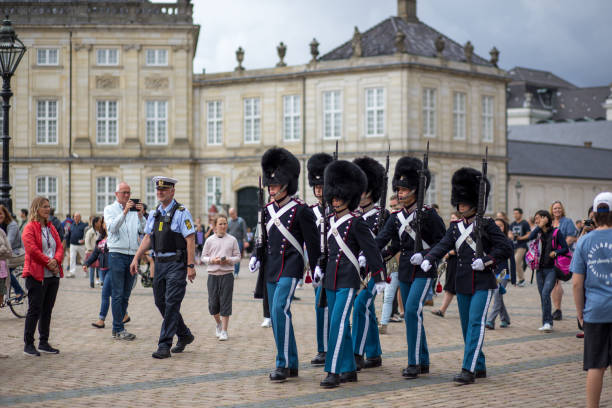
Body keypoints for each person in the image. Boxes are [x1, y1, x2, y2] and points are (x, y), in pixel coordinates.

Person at [421, 167, 513, 384]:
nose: (460, 205)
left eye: (464, 202)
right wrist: (429, 257)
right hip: (462, 281)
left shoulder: (487, 224)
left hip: (483, 281)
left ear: (474, 202)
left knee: (475, 324)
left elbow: (505, 247)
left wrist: (488, 259)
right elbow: (444, 244)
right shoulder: (455, 227)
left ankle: (468, 369)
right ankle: (479, 364)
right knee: (466, 327)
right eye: (459, 202)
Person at [248, 147, 320, 383]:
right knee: (278, 315)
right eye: (270, 184)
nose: (272, 187)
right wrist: (256, 255)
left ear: (287, 184)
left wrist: (318, 265)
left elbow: (312, 241)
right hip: (271, 267)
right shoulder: (267, 211)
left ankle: (283, 363)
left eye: (276, 184)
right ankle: (292, 363)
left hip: (291, 265)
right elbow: (265, 239)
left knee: (279, 309)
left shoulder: (301, 210)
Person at [314, 160, 386, 388]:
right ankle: (348, 368)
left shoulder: (356, 223)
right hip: (331, 279)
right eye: (333, 196)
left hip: (348, 279)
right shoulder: (327, 221)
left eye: (339, 196)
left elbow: (372, 249)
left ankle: (333, 371)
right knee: (340, 325)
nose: (335, 200)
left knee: (337, 323)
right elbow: (325, 251)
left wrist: (380, 276)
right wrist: (318, 267)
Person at [376, 156, 446, 380]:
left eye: (404, 190)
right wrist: (369, 254)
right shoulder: (396, 217)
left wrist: (426, 255)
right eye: (398, 189)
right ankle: (423, 360)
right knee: (413, 314)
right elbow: (386, 241)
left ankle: (413, 362)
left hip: (424, 269)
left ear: (416, 190)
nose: (400, 193)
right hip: (405, 269)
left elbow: (442, 242)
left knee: (412, 311)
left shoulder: (429, 215)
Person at [130, 176, 196, 359]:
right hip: (159, 264)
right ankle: (184, 335)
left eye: (164, 190)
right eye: (158, 190)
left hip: (176, 264)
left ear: (172, 191)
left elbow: (190, 239)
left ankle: (164, 345)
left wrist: (190, 265)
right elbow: (148, 238)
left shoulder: (182, 212)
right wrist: (136, 258)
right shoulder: (154, 213)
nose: (160, 192)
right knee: (161, 302)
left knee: (172, 302)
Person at [571, 192, 612, 408]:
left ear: (594, 215)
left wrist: (580, 313)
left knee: (596, 366)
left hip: (595, 311)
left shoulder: (585, 241)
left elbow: (577, 283)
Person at [351, 156, 388, 370]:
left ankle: (357, 353)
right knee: (368, 310)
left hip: (376, 270)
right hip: (355, 269)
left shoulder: (382, 215)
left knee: (360, 305)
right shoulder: (353, 215)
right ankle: (374, 353)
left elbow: (388, 244)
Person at [21, 196, 64, 356]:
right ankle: (28, 343)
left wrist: (56, 260)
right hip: (36, 274)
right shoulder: (29, 228)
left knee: (47, 310)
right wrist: (48, 261)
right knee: (35, 309)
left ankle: (44, 342)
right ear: (36, 208)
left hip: (52, 274)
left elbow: (59, 246)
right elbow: (32, 249)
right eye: (44, 206)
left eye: (49, 206)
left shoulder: (51, 227)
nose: (48, 209)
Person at [104, 181, 145, 340]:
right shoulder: (110, 209)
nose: (127, 195)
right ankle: (118, 328)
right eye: (124, 192)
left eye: (129, 192)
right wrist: (125, 212)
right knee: (118, 293)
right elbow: (112, 228)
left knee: (126, 293)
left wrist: (141, 215)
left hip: (132, 255)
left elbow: (144, 230)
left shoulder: (135, 212)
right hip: (116, 254)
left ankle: (118, 327)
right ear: (116, 194)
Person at [306, 152, 333, 366]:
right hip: (317, 265)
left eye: (322, 186)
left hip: (336, 263)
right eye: (316, 187)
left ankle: (336, 346)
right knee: (320, 306)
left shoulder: (338, 211)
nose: (319, 190)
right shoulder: (310, 211)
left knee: (336, 307)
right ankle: (322, 348)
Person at [523, 210, 569, 332]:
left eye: (538, 218)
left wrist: (556, 252)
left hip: (552, 269)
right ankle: (546, 322)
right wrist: (538, 226)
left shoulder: (556, 232)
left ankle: (548, 322)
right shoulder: (538, 233)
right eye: (535, 219)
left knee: (545, 294)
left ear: (546, 218)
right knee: (543, 296)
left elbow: (565, 248)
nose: (536, 221)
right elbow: (530, 237)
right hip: (539, 269)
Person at [201, 214, 240, 341]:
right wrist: (212, 260)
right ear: (215, 226)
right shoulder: (209, 240)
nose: (223, 226)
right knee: (213, 305)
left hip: (227, 275)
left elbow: (238, 257)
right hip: (213, 275)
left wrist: (228, 259)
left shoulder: (232, 240)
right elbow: (203, 257)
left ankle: (224, 330)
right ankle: (218, 323)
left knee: (225, 303)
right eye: (220, 224)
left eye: (225, 223)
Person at [549, 200, 578, 321]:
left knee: (557, 281)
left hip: (563, 256)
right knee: (554, 282)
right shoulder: (549, 223)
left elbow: (571, 238)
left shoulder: (568, 222)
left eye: (559, 208)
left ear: (562, 209)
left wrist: (558, 250)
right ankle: (557, 309)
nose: (557, 210)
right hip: (550, 256)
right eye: (555, 208)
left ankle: (558, 309)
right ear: (552, 210)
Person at [486, 218, 516, 329]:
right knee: (498, 296)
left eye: (501, 226)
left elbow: (512, 261)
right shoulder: (490, 241)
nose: (498, 228)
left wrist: (513, 278)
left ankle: (490, 321)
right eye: (496, 225)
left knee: (497, 294)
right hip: (492, 272)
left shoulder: (508, 242)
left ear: (505, 228)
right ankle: (505, 319)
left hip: (503, 273)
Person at [431, 212, 461, 318]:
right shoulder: (451, 230)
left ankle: (443, 310)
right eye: (451, 218)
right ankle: (442, 310)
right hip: (451, 261)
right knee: (449, 287)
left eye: (454, 218)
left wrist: (450, 253)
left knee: (456, 287)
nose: (452, 220)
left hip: (458, 261)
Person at [380, 194, 402, 333]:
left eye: (396, 206)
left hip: (410, 263)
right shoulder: (390, 221)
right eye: (392, 206)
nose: (393, 209)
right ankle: (384, 324)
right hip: (392, 263)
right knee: (388, 296)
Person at [85, 220, 112, 329]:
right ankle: (124, 314)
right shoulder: (101, 237)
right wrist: (87, 263)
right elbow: (96, 253)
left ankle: (101, 320)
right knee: (114, 295)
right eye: (104, 222)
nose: (106, 224)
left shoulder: (116, 236)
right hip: (103, 269)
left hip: (113, 269)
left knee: (105, 293)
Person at [0, 205, 26, 299]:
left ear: (5, 214)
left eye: (1, 214)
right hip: (4, 254)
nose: (0, 216)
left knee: (6, 272)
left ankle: (19, 290)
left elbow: (8, 242)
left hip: (15, 253)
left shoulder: (12, 225)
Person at [510, 208, 530, 287]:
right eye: (514, 213)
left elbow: (529, 234)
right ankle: (518, 279)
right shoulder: (512, 224)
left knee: (516, 261)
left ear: (521, 214)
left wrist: (520, 238)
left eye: (517, 213)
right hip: (513, 245)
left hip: (522, 245)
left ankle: (522, 280)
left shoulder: (524, 223)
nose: (515, 215)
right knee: (516, 263)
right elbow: (509, 233)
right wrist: (511, 236)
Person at [66, 212, 88, 278]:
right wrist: (68, 245)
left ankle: (86, 272)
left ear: (80, 217)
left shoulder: (84, 225)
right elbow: (68, 235)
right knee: (72, 258)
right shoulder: (71, 225)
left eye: (77, 216)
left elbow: (86, 235)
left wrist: (84, 240)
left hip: (81, 245)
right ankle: (72, 272)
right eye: (75, 216)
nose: (76, 218)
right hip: (72, 244)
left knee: (84, 259)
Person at [228, 208, 248, 278]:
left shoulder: (241, 221)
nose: (231, 215)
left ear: (235, 213)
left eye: (232, 214)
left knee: (237, 257)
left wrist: (246, 241)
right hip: (230, 241)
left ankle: (236, 273)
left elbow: (245, 231)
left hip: (238, 241)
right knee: (230, 256)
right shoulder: (229, 221)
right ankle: (230, 271)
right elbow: (227, 231)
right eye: (230, 214)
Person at [84, 216, 101, 288]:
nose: (101, 223)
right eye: (100, 221)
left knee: (99, 267)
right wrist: (90, 250)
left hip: (99, 252)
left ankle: (101, 281)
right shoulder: (90, 232)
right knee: (92, 268)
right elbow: (87, 242)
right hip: (91, 252)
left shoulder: (100, 231)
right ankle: (91, 282)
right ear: (96, 223)